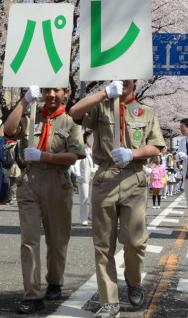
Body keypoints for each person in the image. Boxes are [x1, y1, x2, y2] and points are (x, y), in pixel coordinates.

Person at [69, 79, 165, 318]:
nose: (124, 79)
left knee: (134, 242)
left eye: (129, 75)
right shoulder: (101, 106)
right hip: (105, 177)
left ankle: (133, 280)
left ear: (136, 80)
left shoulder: (146, 111)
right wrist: (103, 93)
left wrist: (133, 153)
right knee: (103, 245)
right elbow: (74, 112)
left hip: (134, 177)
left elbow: (156, 146)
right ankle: (109, 301)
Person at [4, 86, 86, 314]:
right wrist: (23, 101)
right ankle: (32, 294)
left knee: (57, 239)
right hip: (30, 180)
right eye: (46, 90)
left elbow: (74, 156)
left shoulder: (70, 122)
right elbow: (9, 131)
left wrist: (45, 156)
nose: (51, 95)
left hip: (57, 180)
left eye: (56, 90)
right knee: (29, 240)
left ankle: (55, 281)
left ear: (66, 92)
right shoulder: (31, 116)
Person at [74, 131, 94, 224]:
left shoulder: (96, 149)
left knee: (93, 197)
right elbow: (77, 161)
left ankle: (91, 215)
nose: (91, 139)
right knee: (84, 197)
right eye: (89, 137)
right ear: (85, 138)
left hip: (95, 176)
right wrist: (77, 171)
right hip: (84, 176)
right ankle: (83, 218)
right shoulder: (82, 148)